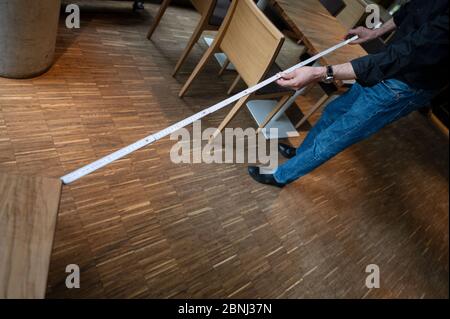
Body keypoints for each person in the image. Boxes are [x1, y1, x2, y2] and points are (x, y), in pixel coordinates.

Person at [248, 0, 449, 188]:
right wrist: (376, 32)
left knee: (338, 135)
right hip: (384, 66)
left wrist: (321, 73)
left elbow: (410, 52)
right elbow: (411, 10)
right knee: (333, 111)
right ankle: (301, 153)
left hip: (405, 85)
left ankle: (281, 176)